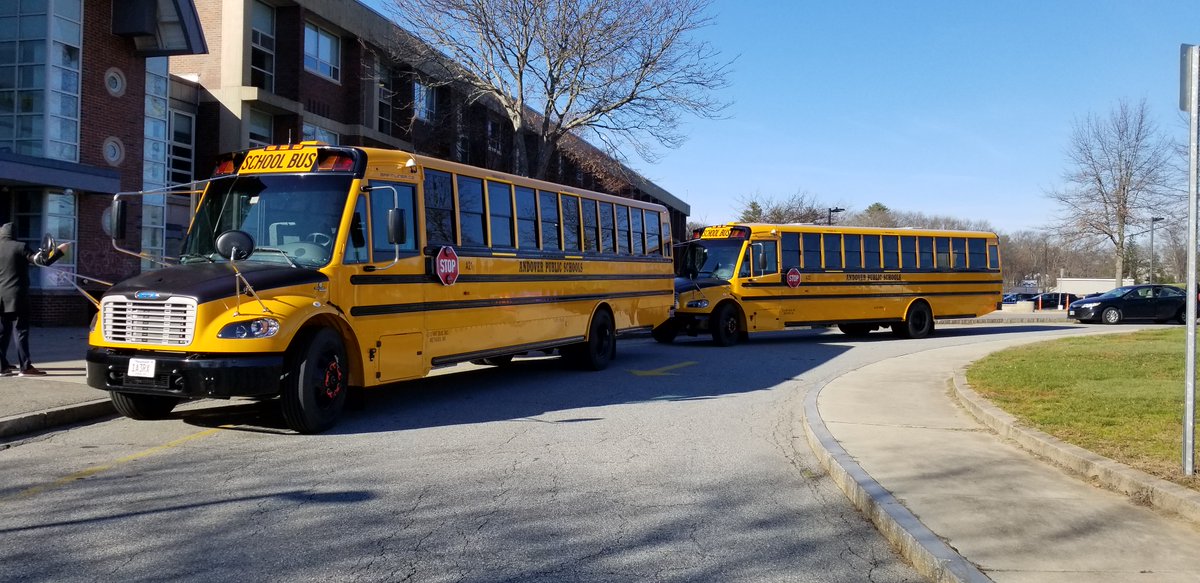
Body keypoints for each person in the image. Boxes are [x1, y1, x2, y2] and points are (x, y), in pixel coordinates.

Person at [0, 223, 69, 376]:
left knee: (2, 332)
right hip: (17, 296)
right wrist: (59, 251)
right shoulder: (20, 246)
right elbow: (41, 261)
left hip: (0, 297)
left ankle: (2, 366)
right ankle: (25, 367)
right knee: (21, 331)